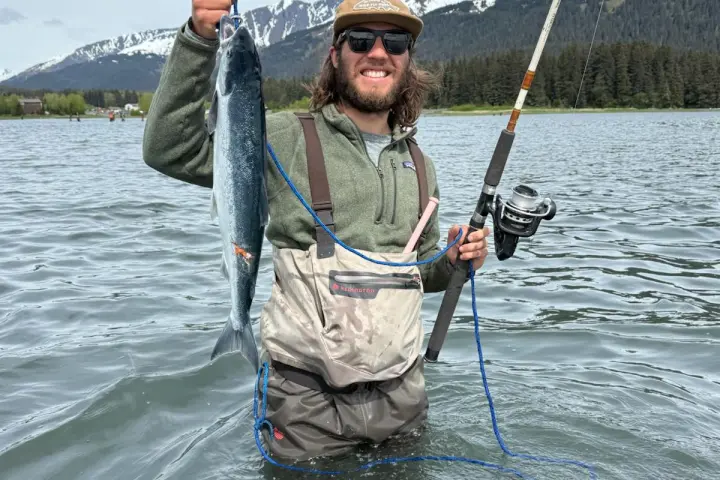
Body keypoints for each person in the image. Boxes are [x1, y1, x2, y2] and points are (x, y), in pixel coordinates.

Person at [143, 0, 491, 461]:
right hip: (305, 407)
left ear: (408, 60)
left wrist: (452, 261)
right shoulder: (281, 137)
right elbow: (169, 148)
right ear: (335, 54)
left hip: (403, 398)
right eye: (361, 40)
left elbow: (420, 276)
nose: (378, 52)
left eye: (396, 42)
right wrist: (203, 37)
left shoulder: (421, 165)